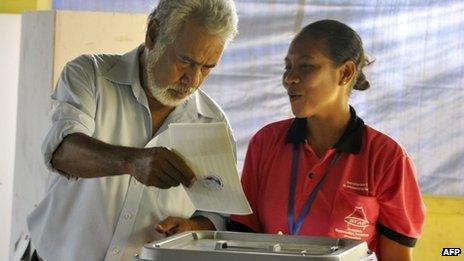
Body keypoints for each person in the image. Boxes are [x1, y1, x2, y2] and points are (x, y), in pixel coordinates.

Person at [26, 0, 238, 260]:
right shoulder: (90, 76)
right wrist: (132, 161)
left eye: (207, 67)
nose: (193, 80)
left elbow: (216, 214)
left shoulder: (212, 123)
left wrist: (192, 229)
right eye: (185, 61)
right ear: (153, 34)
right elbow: (62, 152)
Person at [229, 20, 425, 260]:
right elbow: (241, 237)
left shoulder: (387, 158)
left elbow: (397, 257)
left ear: (345, 72)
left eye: (306, 66)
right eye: (288, 67)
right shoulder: (266, 143)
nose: (290, 78)